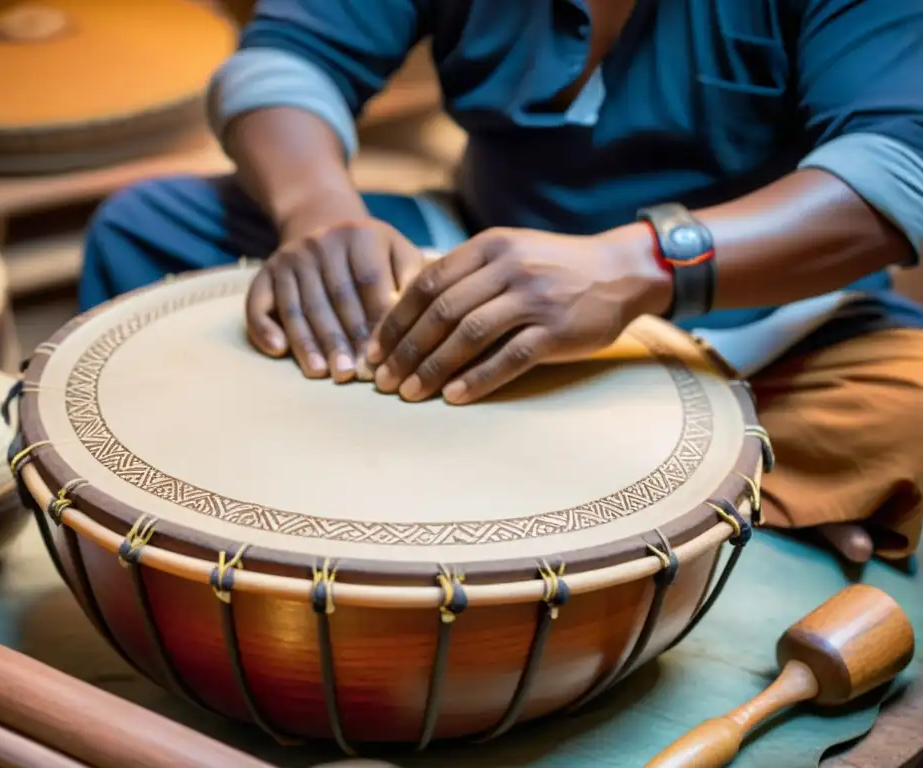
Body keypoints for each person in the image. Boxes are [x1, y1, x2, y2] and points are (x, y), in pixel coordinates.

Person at [80, 0, 923, 564]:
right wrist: (317, 211)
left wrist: (634, 267)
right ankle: (702, 505)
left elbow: (897, 168)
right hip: (473, 264)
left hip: (758, 316)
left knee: (909, 405)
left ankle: (438, 480)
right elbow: (288, 59)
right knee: (148, 231)